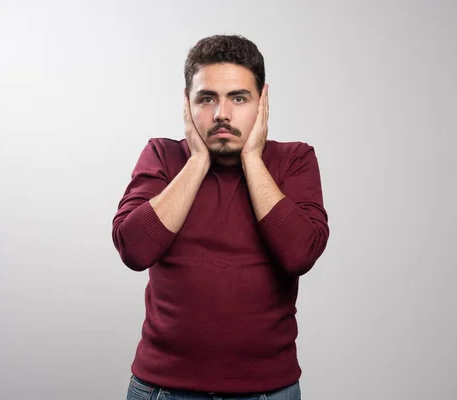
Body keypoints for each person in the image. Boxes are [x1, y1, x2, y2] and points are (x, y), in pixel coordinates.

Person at [112, 34, 330, 400]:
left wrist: (252, 160)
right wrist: (198, 161)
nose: (221, 114)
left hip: (267, 391)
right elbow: (134, 249)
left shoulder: (294, 160)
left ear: (262, 103)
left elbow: (300, 254)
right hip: (163, 389)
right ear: (187, 104)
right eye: (206, 98)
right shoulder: (162, 157)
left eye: (238, 98)